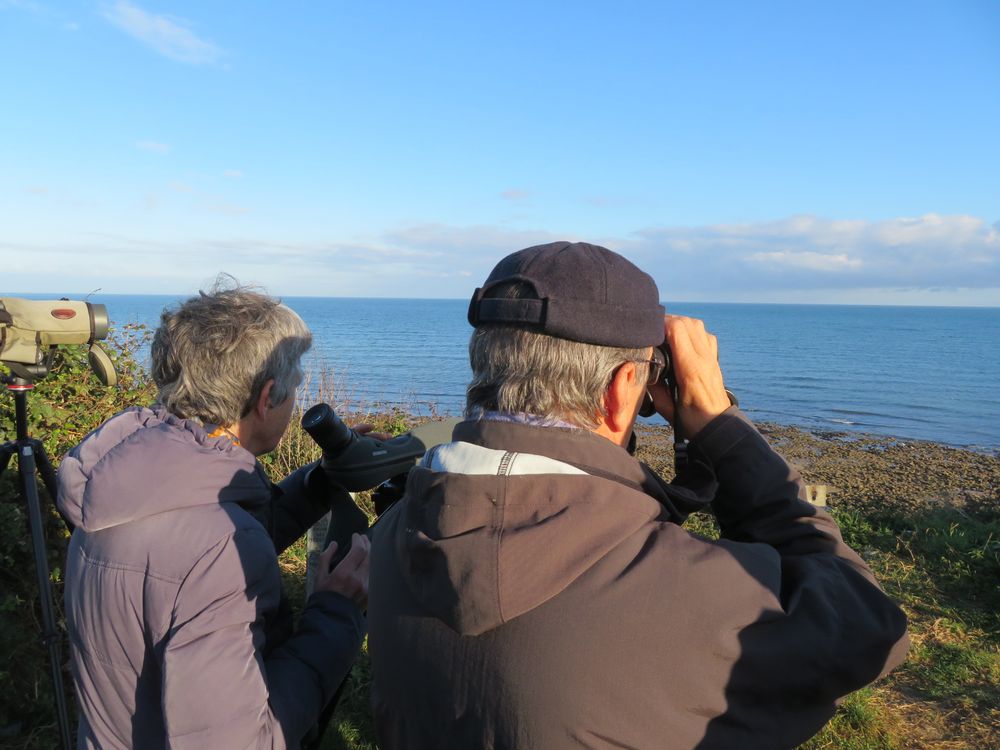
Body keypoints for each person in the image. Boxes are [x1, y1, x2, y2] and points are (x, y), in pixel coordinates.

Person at [368, 241, 910, 749]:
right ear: (623, 388)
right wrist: (719, 425)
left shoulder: (394, 534)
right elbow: (868, 626)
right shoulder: (697, 597)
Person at [57, 283, 371, 749]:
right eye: (293, 391)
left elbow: (197, 549)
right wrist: (336, 612)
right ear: (266, 398)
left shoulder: (121, 483)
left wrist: (320, 482)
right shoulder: (219, 550)